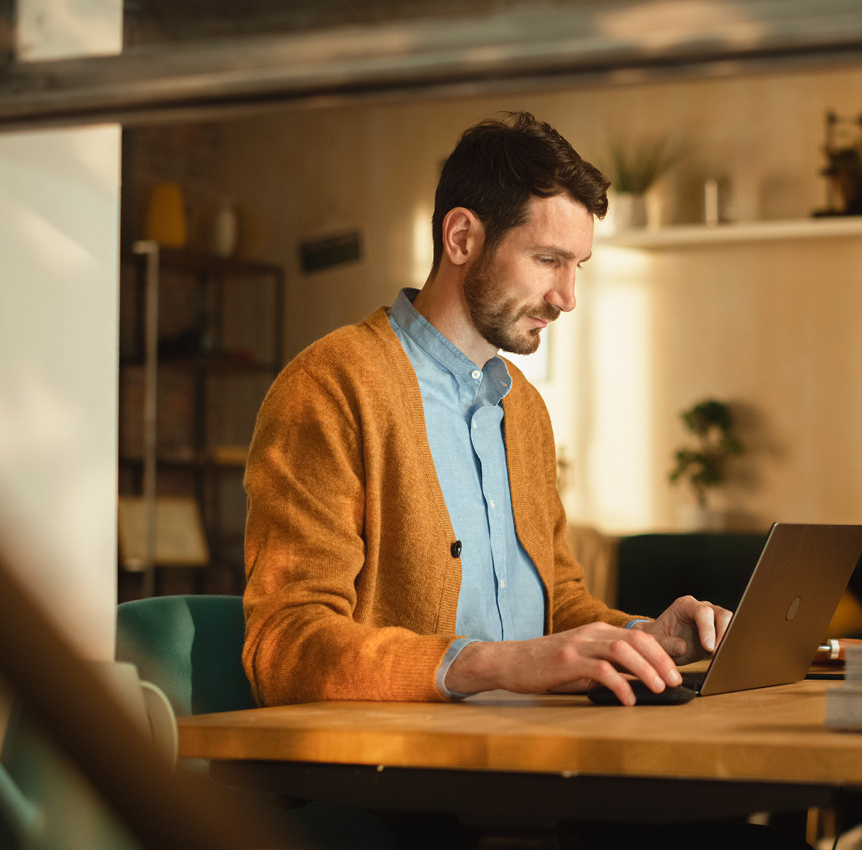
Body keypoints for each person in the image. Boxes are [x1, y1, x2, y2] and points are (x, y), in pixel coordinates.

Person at [241, 112, 732, 706]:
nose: (567, 298)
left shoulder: (523, 410)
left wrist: (643, 637)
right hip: (401, 770)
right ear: (462, 239)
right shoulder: (331, 386)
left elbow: (559, 604)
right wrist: (491, 663)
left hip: (531, 751)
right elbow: (285, 645)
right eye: (548, 260)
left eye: (577, 267)